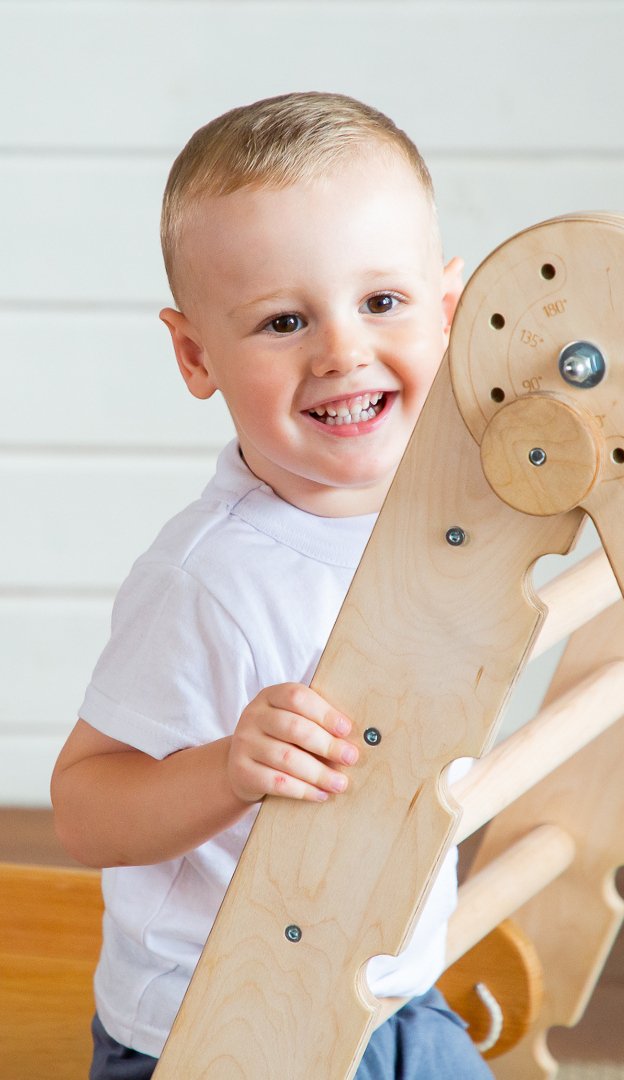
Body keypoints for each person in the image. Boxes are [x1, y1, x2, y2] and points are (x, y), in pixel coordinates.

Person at [49, 91, 492, 1079]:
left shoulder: (455, 508)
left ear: (449, 311)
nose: (342, 350)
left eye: (382, 302)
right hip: (220, 1028)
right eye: (285, 320)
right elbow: (81, 809)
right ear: (196, 355)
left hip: (395, 988)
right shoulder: (212, 580)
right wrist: (226, 770)